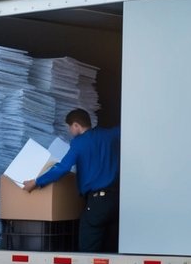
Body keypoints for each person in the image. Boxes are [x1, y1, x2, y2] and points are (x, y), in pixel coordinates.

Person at [24, 108, 121, 253]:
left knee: (88, 248)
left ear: (76, 125)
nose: (69, 131)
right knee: (110, 247)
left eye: (70, 127)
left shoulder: (79, 143)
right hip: (116, 201)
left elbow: (62, 168)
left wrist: (36, 182)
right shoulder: (109, 135)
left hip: (97, 203)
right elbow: (125, 129)